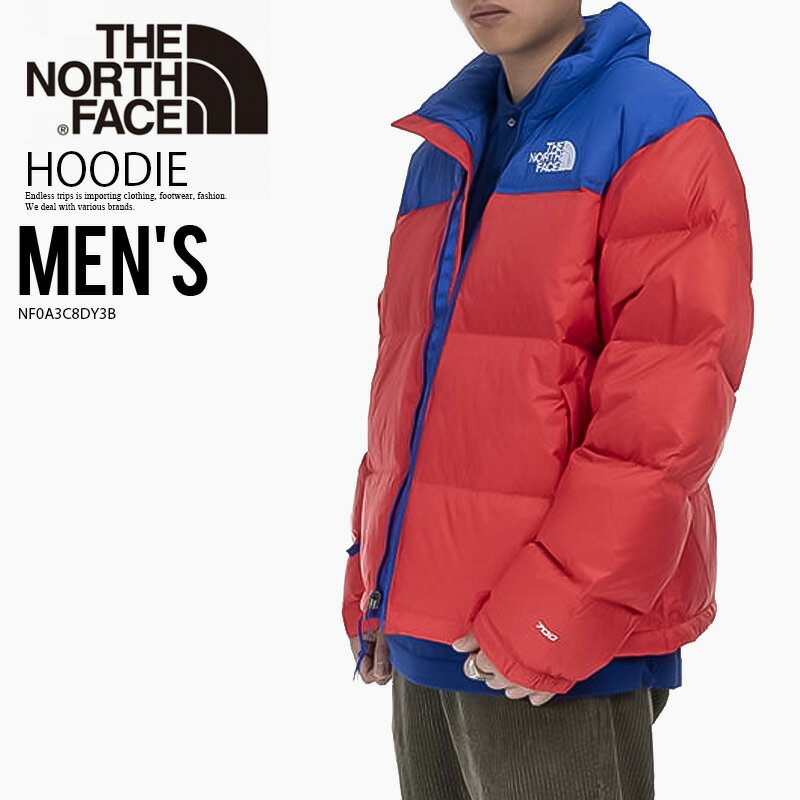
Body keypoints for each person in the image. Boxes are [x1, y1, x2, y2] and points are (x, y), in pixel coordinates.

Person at [341, 1, 754, 798]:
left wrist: (556, 608)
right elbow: (406, 383)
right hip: (425, 632)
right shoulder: (443, 146)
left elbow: (666, 412)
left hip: (553, 646)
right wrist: (376, 570)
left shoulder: (656, 127)